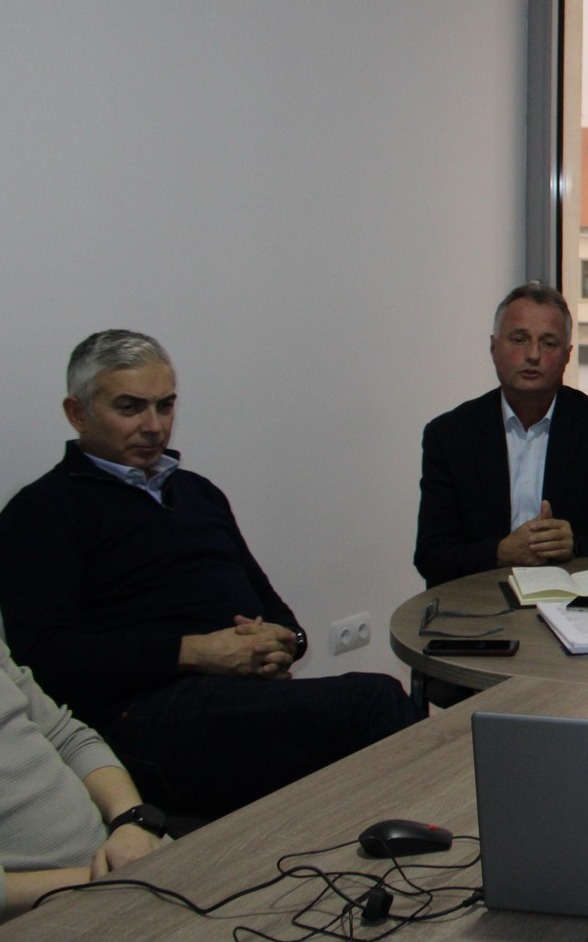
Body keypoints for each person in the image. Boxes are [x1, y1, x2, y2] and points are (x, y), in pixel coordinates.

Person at [0, 330, 419, 820]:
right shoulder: (40, 512)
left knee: (371, 716)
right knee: (373, 701)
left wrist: (282, 645)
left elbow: (278, 612)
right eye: (130, 408)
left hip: (237, 698)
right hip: (139, 718)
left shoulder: (198, 493)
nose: (154, 426)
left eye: (165, 406)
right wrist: (194, 652)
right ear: (78, 413)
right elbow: (44, 656)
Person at [416, 282, 588, 587]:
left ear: (567, 356)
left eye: (549, 343)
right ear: (494, 348)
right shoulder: (450, 435)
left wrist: (575, 546)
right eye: (519, 339)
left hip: (572, 602)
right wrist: (500, 552)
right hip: (480, 601)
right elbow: (431, 556)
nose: (532, 355)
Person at [0, 634, 164, 921]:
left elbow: (67, 737)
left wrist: (133, 820)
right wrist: (110, 877)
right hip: (50, 911)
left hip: (129, 860)